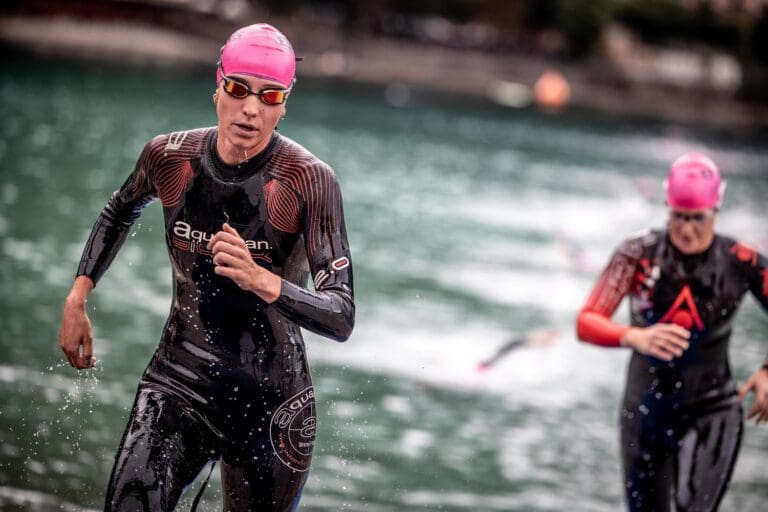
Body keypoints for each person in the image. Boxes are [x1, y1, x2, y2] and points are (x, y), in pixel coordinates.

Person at [57, 23, 354, 511]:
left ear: (284, 106)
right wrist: (77, 295)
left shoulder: (309, 181)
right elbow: (118, 209)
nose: (251, 108)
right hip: (177, 382)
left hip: (272, 408)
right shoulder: (171, 157)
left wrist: (264, 280)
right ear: (217, 87)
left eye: (269, 96)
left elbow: (341, 314)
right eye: (238, 89)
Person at [575, 152, 768, 512]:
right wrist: (633, 336)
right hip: (646, 409)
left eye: (698, 218)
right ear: (667, 208)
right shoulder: (638, 253)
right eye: (678, 216)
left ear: (716, 211)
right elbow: (586, 321)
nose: (687, 229)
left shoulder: (741, 259)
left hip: (712, 409)